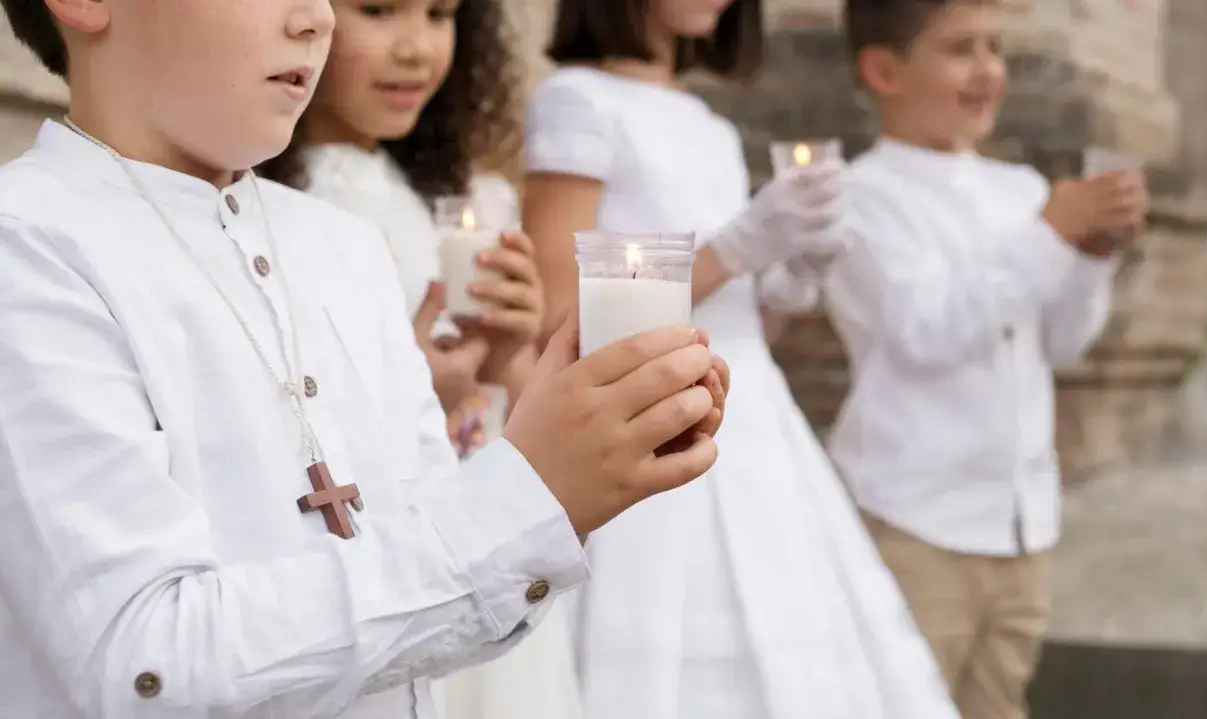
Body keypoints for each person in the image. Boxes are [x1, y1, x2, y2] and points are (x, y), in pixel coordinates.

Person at [0, 1, 728, 717]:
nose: (317, 19)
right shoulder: (30, 247)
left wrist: (571, 469)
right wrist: (527, 493)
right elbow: (147, 660)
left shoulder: (342, 246)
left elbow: (438, 618)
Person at [521, 1, 959, 717]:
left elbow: (739, 325)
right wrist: (740, 245)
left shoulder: (710, 126)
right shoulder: (576, 100)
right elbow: (556, 314)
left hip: (755, 434)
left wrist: (791, 271)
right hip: (650, 431)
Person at [257, 1, 584, 717]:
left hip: (491, 534)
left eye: (441, 14)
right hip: (391, 558)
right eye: (380, 11)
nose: (417, 48)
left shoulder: (472, 195)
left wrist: (507, 355)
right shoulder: (279, 210)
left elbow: (515, 399)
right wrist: (413, 387)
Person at [827, 2, 1150, 718]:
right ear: (884, 70)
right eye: (960, 50)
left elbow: (1061, 342)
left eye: (996, 48)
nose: (988, 71)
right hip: (914, 524)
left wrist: (1090, 258)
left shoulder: (1024, 192)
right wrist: (1049, 236)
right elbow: (926, 330)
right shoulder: (859, 197)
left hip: (1020, 527)